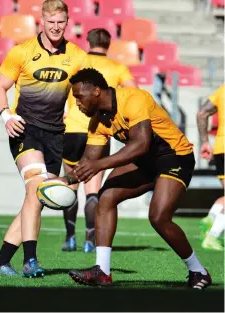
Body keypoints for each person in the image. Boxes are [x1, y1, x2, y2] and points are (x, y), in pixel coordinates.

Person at [61, 68, 212, 289]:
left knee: (159, 217)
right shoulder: (96, 122)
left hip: (175, 156)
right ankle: (102, 272)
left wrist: (99, 165)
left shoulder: (133, 97)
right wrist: (63, 182)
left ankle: (198, 271)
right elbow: (88, 163)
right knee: (105, 198)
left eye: (78, 97)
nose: (77, 103)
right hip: (146, 161)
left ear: (95, 91)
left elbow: (140, 144)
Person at [0, 0, 90, 278]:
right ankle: (30, 260)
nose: (56, 28)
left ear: (67, 22)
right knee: (36, 188)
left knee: (39, 199)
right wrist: (6, 115)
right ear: (41, 22)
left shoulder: (78, 57)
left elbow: (85, 93)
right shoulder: (22, 52)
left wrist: (76, 111)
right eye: (51, 23)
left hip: (56, 135)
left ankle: (0, 263)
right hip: (25, 129)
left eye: (61, 22)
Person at [62, 28, 137, 253]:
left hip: (73, 128)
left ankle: (70, 238)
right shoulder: (118, 68)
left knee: (71, 185)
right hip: (100, 131)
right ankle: (89, 240)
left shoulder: (78, 63)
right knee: (92, 189)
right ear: (109, 44)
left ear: (88, 41)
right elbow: (134, 92)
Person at [197, 84, 224, 251]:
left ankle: (211, 217)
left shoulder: (222, 89)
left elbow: (201, 113)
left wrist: (205, 141)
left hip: (221, 148)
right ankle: (213, 235)